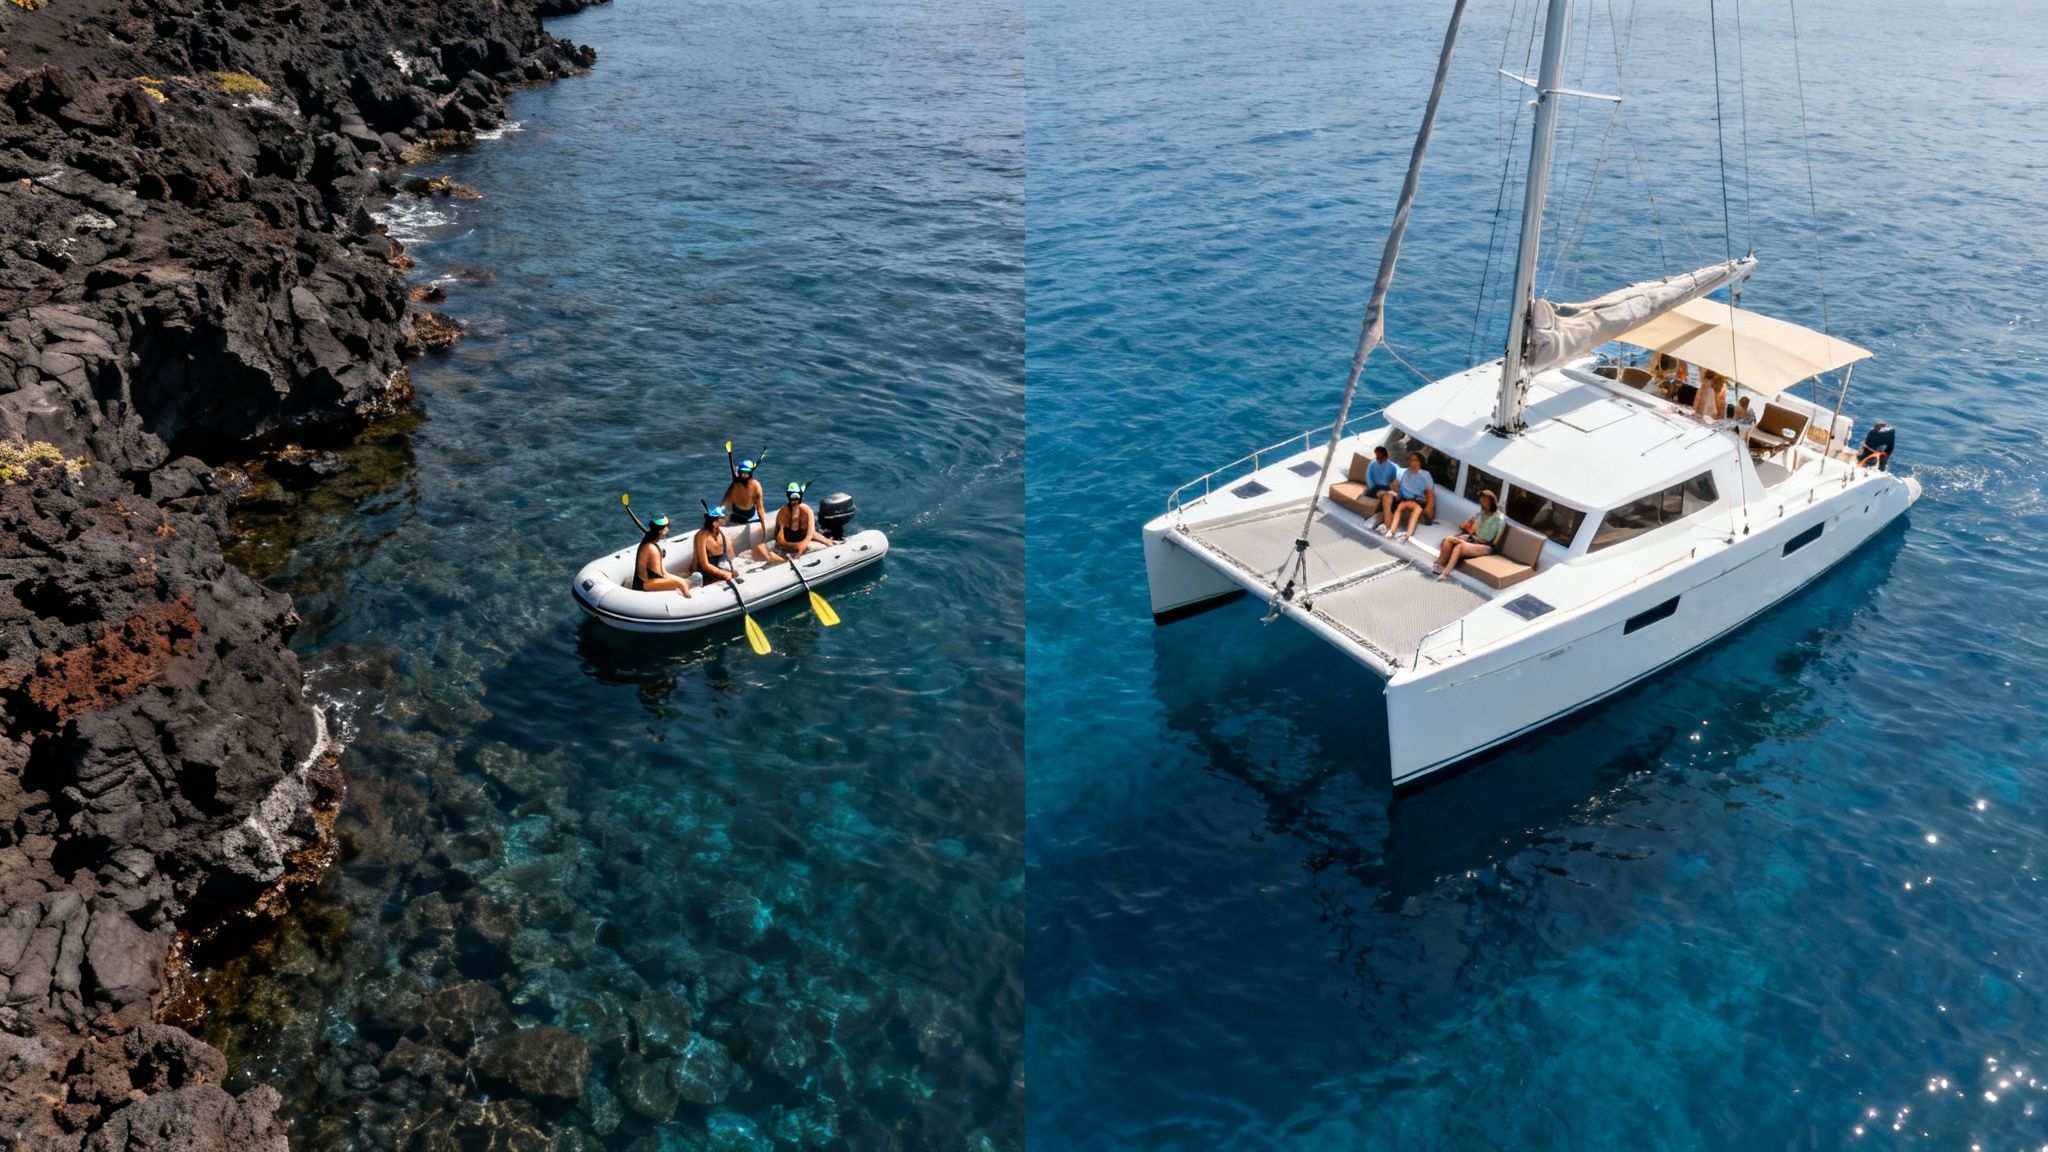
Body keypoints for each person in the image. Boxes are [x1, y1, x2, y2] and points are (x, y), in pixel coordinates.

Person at [1433, 490, 1505, 581]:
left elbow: (1493, 540)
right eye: (1481, 501)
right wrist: (1467, 533)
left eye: (1484, 501)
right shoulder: (1482, 513)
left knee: (1460, 546)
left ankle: (1445, 573)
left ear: (1491, 502)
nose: (1482, 504)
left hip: (1486, 545)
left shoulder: (1499, 518)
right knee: (1448, 539)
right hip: (1473, 539)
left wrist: (1468, 539)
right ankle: (1439, 565)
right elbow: (1469, 528)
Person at [754, 482, 827, 562]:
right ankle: (783, 562)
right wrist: (794, 546)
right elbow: (779, 538)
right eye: (792, 498)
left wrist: (802, 546)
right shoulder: (783, 513)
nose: (794, 501)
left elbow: (811, 533)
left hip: (803, 541)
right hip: (787, 545)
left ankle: (832, 544)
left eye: (797, 498)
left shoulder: (806, 511)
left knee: (817, 538)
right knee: (763, 550)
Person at [630, 515, 692, 596]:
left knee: (684, 582)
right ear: (660, 531)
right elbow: (660, 574)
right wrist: (679, 582)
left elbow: (663, 573)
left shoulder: (649, 542)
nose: (667, 529)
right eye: (666, 527)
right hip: (643, 585)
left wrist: (682, 580)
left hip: (646, 582)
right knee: (681, 584)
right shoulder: (651, 548)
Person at [1380, 452, 1435, 541]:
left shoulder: (1425, 476)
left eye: (1416, 460)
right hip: (1403, 498)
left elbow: (1430, 496)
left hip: (1417, 501)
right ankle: (1389, 529)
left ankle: (1407, 535)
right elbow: (1393, 485)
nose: (1413, 462)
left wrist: (1428, 511)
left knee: (1416, 509)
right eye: (1411, 460)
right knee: (1390, 499)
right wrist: (1393, 486)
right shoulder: (1403, 473)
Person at [693, 505, 739, 586]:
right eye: (722, 517)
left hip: (721, 566)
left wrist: (732, 569)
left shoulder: (722, 533)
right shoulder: (702, 536)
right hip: (707, 571)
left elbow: (731, 556)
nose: (725, 517)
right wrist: (722, 573)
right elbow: (704, 565)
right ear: (714, 522)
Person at [722, 459, 766, 543]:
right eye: (743, 473)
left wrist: (763, 527)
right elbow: (726, 503)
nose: (745, 475)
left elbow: (760, 507)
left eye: (747, 473)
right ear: (739, 473)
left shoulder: (755, 486)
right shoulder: (735, 485)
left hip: (751, 516)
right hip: (735, 515)